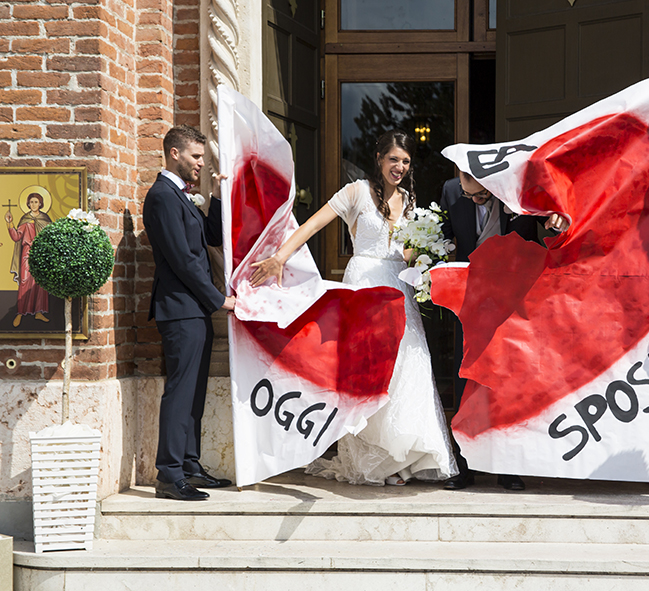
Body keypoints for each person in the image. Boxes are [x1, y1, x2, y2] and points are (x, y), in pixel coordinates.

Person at [249, 130, 456, 487]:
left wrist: (424, 256)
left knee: (406, 366)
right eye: (394, 159)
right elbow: (313, 224)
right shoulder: (356, 191)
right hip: (364, 284)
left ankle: (400, 461)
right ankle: (371, 459)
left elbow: (407, 251)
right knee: (368, 369)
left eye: (405, 162)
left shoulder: (409, 200)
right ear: (379, 157)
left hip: (399, 287)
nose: (400, 167)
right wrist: (280, 257)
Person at [439, 169, 567, 491]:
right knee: (465, 379)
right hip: (471, 304)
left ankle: (509, 467)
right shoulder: (451, 190)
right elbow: (442, 237)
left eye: (481, 194)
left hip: (515, 302)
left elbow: (553, 223)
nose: (475, 200)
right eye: (469, 196)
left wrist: (558, 219)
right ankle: (464, 466)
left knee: (509, 383)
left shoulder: (520, 190)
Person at [144, 125, 236, 501]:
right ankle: (168, 475)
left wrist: (217, 194)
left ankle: (190, 466)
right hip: (180, 310)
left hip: (194, 309)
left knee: (194, 392)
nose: (200, 163)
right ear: (173, 154)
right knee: (180, 392)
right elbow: (182, 259)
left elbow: (212, 237)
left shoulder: (186, 196)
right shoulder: (163, 196)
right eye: (195, 157)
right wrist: (218, 299)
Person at [6, 192, 52, 328]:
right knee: (25, 281)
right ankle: (20, 312)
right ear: (28, 204)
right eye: (31, 202)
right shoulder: (25, 219)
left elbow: (50, 236)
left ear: (41, 203)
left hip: (40, 254)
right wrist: (9, 223)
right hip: (27, 253)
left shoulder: (45, 219)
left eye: (36, 202)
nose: (33, 204)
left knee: (40, 282)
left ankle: (39, 312)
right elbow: (16, 237)